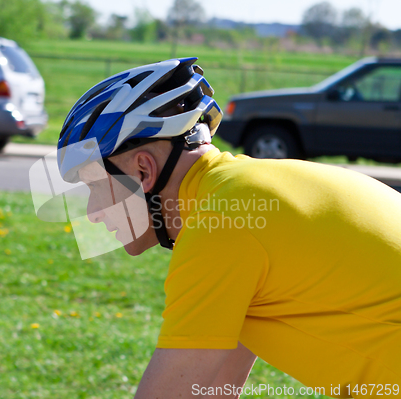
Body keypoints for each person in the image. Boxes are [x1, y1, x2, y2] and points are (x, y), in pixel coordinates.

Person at [55, 58, 401, 398]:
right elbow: (211, 388)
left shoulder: (220, 224)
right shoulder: (244, 195)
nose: (93, 212)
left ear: (143, 171)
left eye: (96, 187)